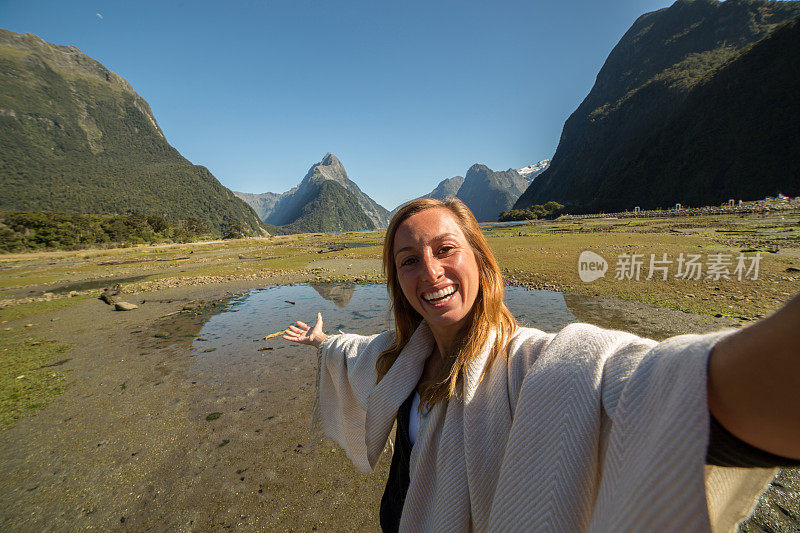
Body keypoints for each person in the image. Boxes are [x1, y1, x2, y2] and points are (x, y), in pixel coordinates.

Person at [283, 197, 799, 532]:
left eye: (446, 249)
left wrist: (725, 375)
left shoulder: (526, 362)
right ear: (398, 281)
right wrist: (323, 340)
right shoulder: (400, 356)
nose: (431, 271)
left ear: (482, 262)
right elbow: (356, 352)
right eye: (409, 260)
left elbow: (636, 382)